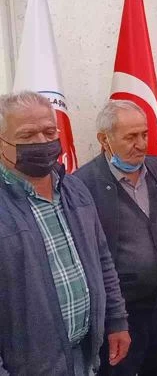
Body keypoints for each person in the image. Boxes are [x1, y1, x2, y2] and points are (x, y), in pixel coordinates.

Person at [0, 91, 129, 375]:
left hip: (85, 356)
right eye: (27, 135)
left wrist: (116, 320)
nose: (42, 142)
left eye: (49, 132)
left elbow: (102, 261)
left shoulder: (74, 189)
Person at [76, 100, 157, 375]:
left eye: (144, 134)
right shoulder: (83, 185)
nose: (141, 144)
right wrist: (113, 318)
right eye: (130, 137)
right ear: (104, 140)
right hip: (123, 315)